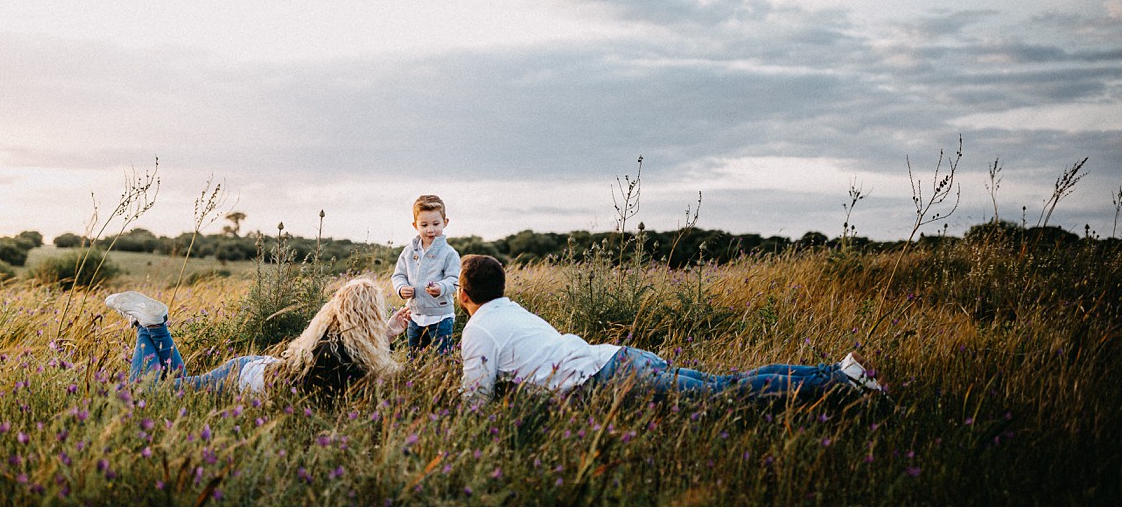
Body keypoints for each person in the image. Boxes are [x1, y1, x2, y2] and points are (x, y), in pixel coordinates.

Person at [455, 255, 888, 406]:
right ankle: (835, 372)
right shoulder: (517, 312)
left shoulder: (478, 331)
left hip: (613, 379)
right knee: (729, 383)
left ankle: (840, 385)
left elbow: (477, 398)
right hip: (620, 357)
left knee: (727, 394)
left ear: (463, 293)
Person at [105, 277, 410, 398]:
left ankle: (152, 326)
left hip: (255, 367)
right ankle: (150, 324)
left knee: (178, 385)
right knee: (144, 394)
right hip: (243, 379)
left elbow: (357, 356)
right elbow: (357, 367)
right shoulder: (341, 353)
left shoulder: (328, 336)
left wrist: (388, 334)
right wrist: (385, 336)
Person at [391, 194, 461, 354]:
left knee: (441, 357)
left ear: (445, 222)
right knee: (414, 356)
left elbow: (454, 279)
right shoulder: (409, 252)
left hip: (441, 315)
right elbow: (398, 275)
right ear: (415, 225)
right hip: (414, 314)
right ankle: (416, 378)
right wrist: (401, 288)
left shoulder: (449, 253)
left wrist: (441, 287)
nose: (430, 229)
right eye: (424, 225)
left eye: (436, 224)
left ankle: (442, 378)